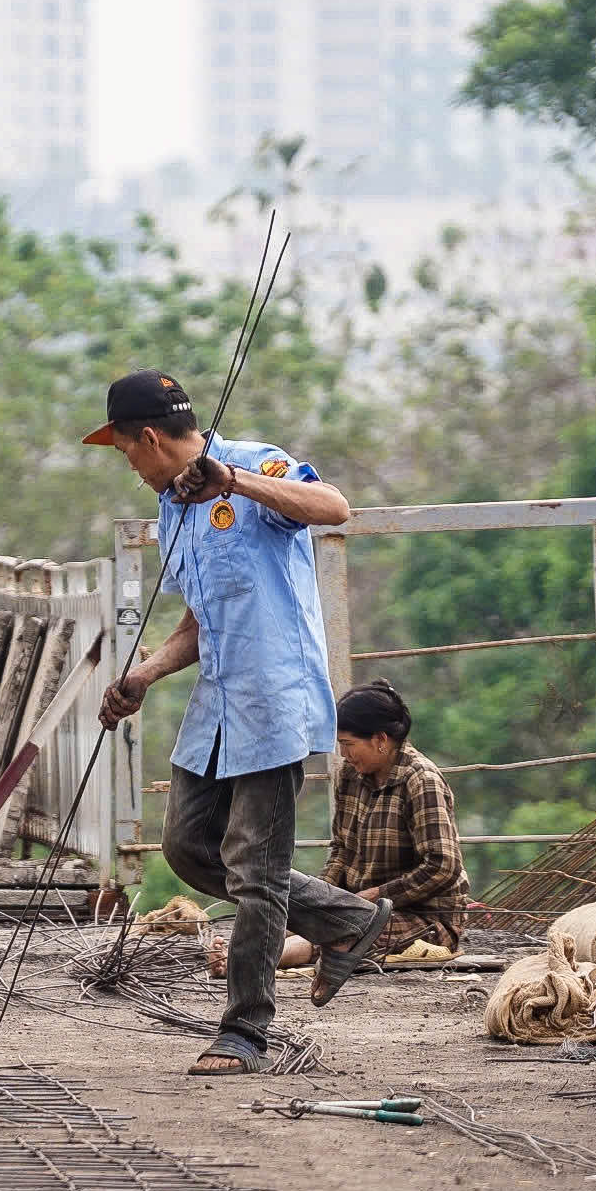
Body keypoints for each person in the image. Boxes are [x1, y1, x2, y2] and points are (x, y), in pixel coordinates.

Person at [86, 368, 388, 1076]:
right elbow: (200, 618)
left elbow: (334, 505)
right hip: (218, 703)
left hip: (273, 701)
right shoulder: (173, 510)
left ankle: (245, 1030)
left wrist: (234, 481)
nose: (129, 467)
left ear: (151, 438)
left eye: (126, 452)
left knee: (257, 870)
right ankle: (347, 919)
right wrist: (144, 675)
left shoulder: (254, 464)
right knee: (188, 846)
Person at [209, 681, 473, 979]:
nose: (344, 754)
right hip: (356, 904)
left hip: (424, 918)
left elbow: (443, 866)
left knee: (342, 937)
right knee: (295, 916)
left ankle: (245, 962)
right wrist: (318, 898)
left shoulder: (421, 781)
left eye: (348, 744)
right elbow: (342, 850)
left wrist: (375, 896)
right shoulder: (350, 775)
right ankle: (243, 950)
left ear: (380, 740)